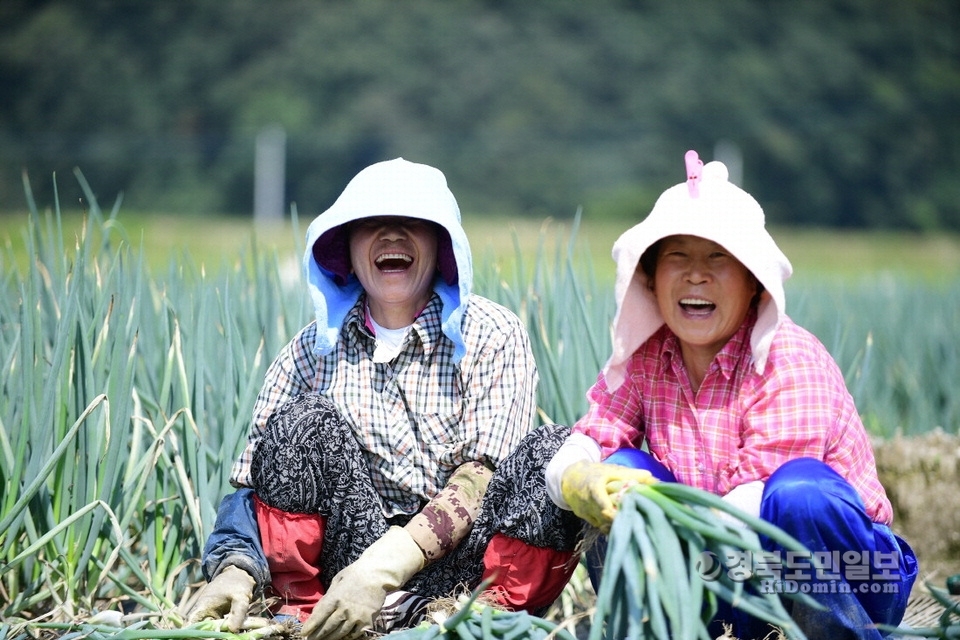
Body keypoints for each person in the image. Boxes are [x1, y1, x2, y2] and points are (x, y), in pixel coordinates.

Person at [182, 158, 583, 640]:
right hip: (344, 576)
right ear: (347, 251)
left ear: (442, 247)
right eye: (372, 225)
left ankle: (487, 624)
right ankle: (304, 620)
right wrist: (234, 567)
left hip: (460, 578)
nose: (392, 236)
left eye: (413, 223)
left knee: (552, 454)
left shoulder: (492, 336)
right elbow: (251, 492)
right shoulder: (309, 353)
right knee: (303, 422)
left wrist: (380, 572)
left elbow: (481, 480)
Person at [545, 150, 918, 640]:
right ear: (651, 279)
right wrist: (576, 478)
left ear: (754, 284)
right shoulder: (647, 355)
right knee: (622, 477)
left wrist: (677, 538)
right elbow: (595, 433)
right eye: (677, 256)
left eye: (718, 257)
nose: (695, 275)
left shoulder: (788, 357)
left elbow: (751, 511)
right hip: (731, 573)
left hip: (855, 576)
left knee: (798, 494)